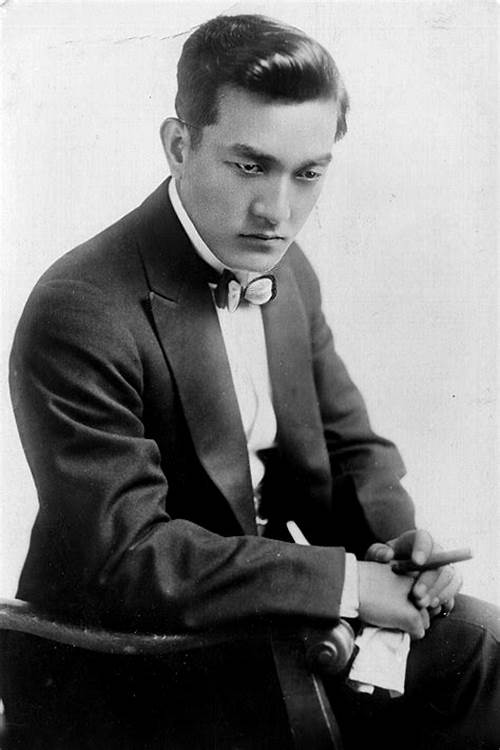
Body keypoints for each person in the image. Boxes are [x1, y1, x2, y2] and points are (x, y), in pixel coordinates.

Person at [1, 13, 499, 750]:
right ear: (179, 146)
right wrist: (347, 585)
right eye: (249, 167)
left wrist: (399, 551)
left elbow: (351, 448)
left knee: (475, 641)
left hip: (265, 625)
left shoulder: (285, 272)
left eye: (308, 174)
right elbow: (129, 557)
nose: (278, 212)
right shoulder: (82, 307)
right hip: (131, 662)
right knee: (477, 650)